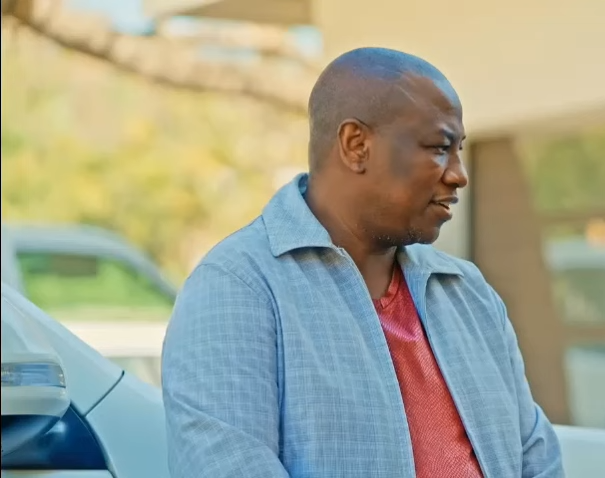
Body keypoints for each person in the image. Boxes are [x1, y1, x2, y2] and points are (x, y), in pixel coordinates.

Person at [161, 47, 565, 478]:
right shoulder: (236, 289)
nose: (458, 174)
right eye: (439, 148)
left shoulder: (468, 293)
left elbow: (537, 459)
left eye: (459, 150)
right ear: (356, 145)